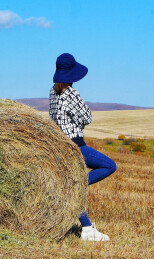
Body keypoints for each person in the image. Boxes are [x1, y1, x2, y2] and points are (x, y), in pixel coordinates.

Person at [49, 53, 117, 241]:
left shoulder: (52, 91)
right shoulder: (71, 93)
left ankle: (86, 228)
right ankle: (77, 185)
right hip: (76, 145)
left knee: (73, 182)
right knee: (110, 166)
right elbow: (87, 117)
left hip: (59, 145)